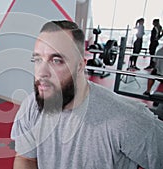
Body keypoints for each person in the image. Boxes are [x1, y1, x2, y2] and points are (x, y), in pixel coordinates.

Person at [10, 20, 163, 169]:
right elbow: (25, 158)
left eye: (56, 60)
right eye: (37, 60)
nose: (41, 73)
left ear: (80, 66)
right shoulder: (31, 106)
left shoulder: (128, 119)